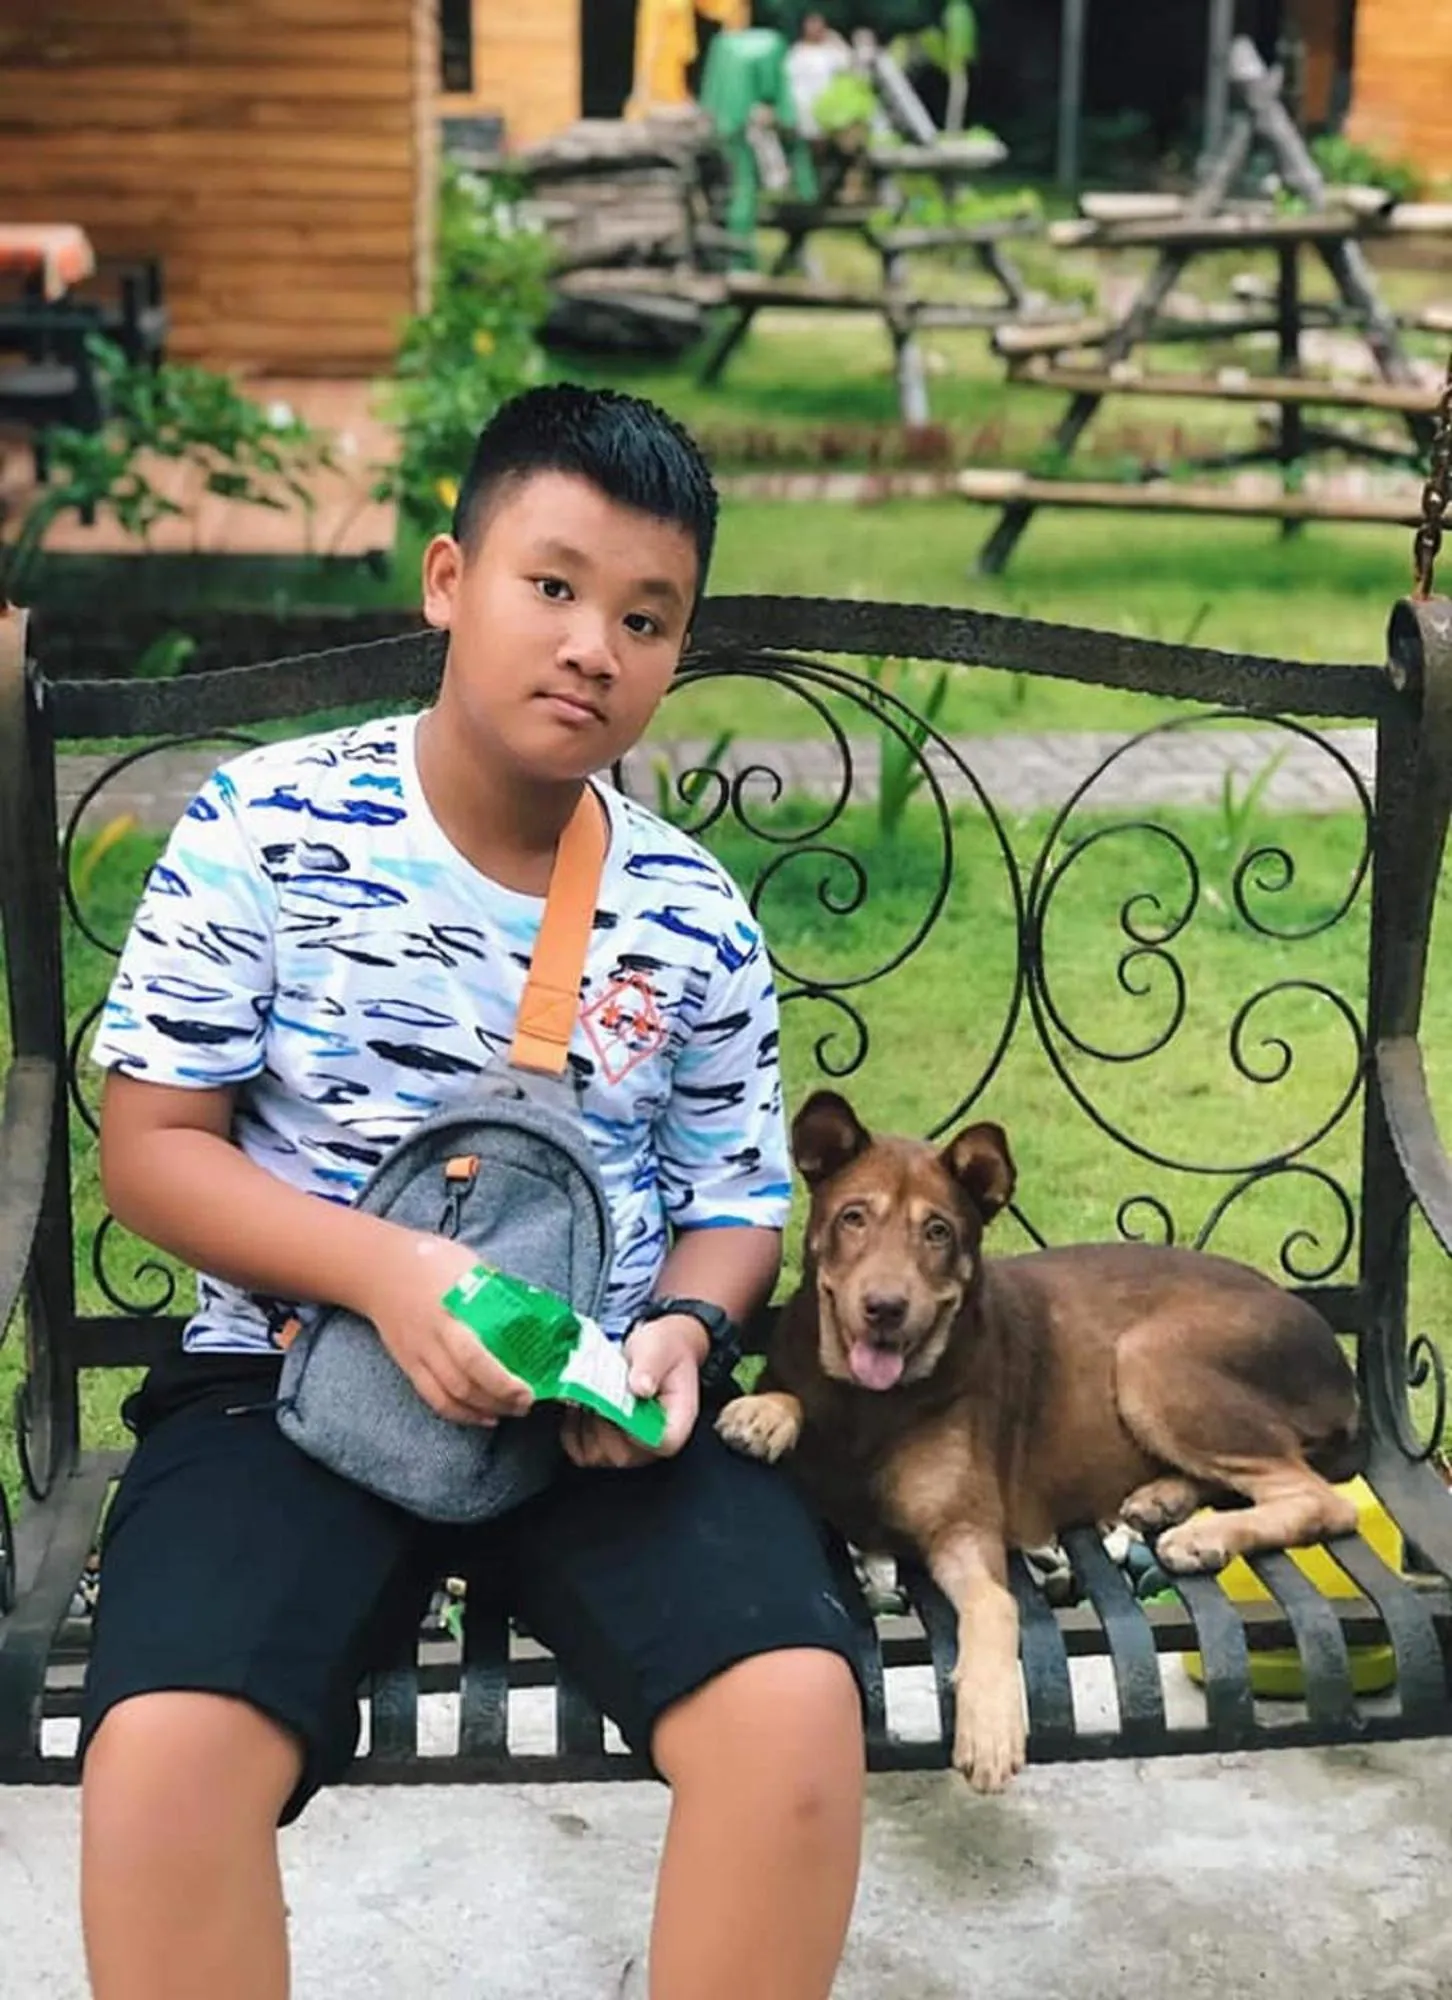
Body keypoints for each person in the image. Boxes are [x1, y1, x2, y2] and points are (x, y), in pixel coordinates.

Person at [79, 384, 866, 2000]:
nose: (594, 644)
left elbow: (734, 1199)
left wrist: (686, 1335)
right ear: (449, 580)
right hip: (285, 1395)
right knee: (163, 1756)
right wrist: (384, 1277)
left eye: (646, 618)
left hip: (586, 1425)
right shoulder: (267, 830)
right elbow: (153, 1148)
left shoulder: (688, 913)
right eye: (554, 586)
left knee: (794, 1710)